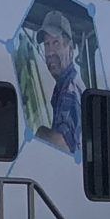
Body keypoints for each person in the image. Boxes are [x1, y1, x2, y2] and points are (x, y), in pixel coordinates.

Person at [37, 8, 84, 152]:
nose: (50, 52)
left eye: (56, 42)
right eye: (46, 44)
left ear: (69, 47)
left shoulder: (70, 89)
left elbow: (62, 143)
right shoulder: (62, 86)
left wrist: (36, 132)